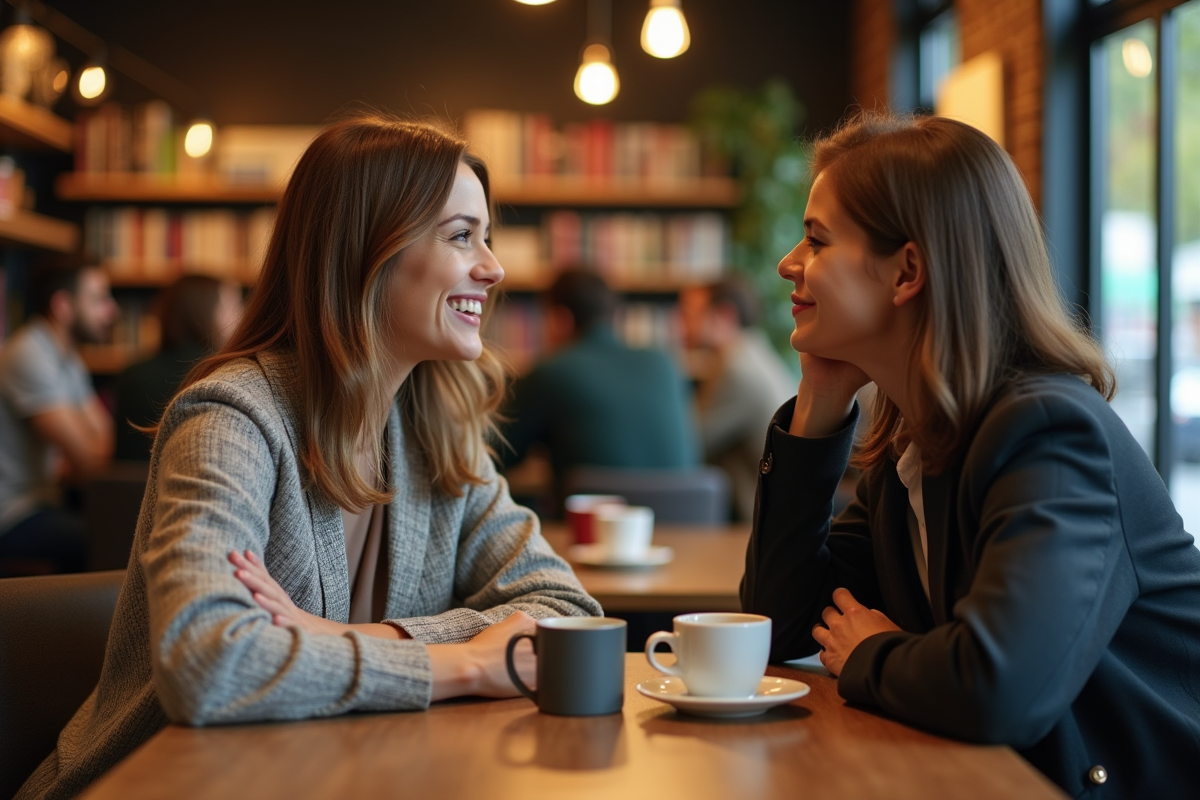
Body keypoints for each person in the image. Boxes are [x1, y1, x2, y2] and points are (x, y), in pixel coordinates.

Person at [17, 115, 601, 800]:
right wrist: (466, 664)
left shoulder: (437, 435)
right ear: (366, 252)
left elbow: (570, 613)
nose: (494, 267)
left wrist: (345, 636)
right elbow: (209, 663)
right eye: (462, 236)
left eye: (488, 236)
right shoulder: (231, 418)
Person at [740, 112, 1200, 799]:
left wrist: (871, 653)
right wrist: (819, 405)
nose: (789, 263)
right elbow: (780, 623)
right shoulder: (916, 442)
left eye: (816, 239)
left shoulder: (1048, 430)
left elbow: (1002, 688)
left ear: (907, 273)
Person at [497, 269, 698, 503]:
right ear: (615, 316)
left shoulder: (553, 371)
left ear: (560, 320)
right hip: (686, 529)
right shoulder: (665, 364)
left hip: (591, 532)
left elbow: (498, 454)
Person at [0, 262, 117, 575]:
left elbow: (104, 441)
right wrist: (83, 455)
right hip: (12, 512)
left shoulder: (66, 357)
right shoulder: (30, 354)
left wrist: (86, 454)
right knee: (111, 540)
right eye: (98, 299)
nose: (111, 310)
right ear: (63, 306)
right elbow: (91, 457)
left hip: (43, 501)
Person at [679, 276, 795, 520]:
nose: (681, 323)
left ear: (724, 317)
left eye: (690, 313)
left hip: (753, 519)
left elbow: (685, 445)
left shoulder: (737, 371)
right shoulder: (753, 354)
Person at [113, 274, 244, 460]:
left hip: (137, 489)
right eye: (234, 304)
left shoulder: (132, 374)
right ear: (207, 311)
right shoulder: (225, 374)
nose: (242, 314)